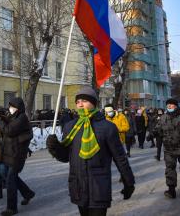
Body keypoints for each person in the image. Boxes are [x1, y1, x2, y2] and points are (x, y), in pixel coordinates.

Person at [46, 87, 135, 216]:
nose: (80, 104)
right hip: (78, 186)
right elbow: (66, 157)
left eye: (84, 101)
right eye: (78, 102)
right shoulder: (70, 126)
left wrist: (128, 182)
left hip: (99, 186)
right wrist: (55, 148)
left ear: (93, 102)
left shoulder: (107, 127)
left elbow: (120, 157)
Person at [0, 97, 35, 216]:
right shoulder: (14, 117)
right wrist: (2, 116)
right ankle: (28, 193)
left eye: (12, 106)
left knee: (10, 181)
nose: (10, 108)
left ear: (18, 108)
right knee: (9, 177)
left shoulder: (22, 118)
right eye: (10, 106)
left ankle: (11, 208)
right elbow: (9, 126)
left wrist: (0, 120)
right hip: (10, 152)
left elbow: (9, 130)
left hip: (17, 154)